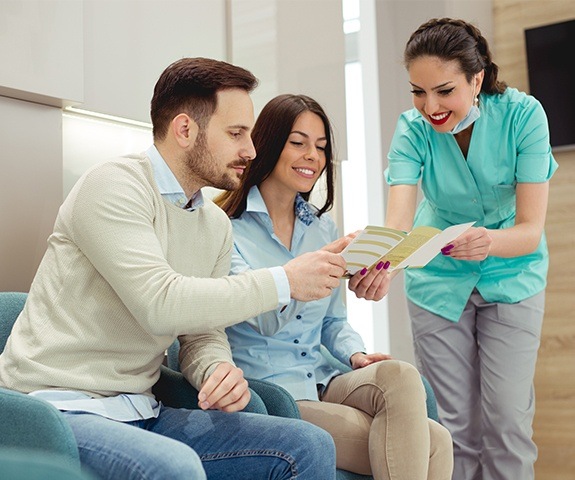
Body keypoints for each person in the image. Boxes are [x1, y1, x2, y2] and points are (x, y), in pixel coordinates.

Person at [0, 58, 347, 480]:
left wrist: (215, 369)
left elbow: (201, 332)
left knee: (307, 444)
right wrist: (285, 280)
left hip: (143, 409)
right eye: (236, 134)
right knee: (174, 467)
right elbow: (161, 303)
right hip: (57, 409)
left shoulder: (213, 224)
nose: (251, 151)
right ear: (185, 130)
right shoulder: (113, 186)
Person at [216, 93, 454, 480]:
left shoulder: (321, 227)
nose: (312, 155)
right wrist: (308, 270)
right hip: (273, 391)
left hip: (324, 376)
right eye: (298, 142)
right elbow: (262, 321)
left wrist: (355, 354)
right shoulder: (225, 228)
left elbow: (333, 322)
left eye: (321, 147)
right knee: (436, 443)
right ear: (269, 143)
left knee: (401, 376)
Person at [384, 18, 558, 480]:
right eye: (418, 92)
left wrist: (488, 242)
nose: (430, 107)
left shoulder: (524, 116)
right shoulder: (411, 129)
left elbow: (530, 230)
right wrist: (379, 263)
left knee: (507, 423)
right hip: (437, 280)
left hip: (512, 274)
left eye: (444, 91)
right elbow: (398, 223)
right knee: (452, 429)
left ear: (476, 78)